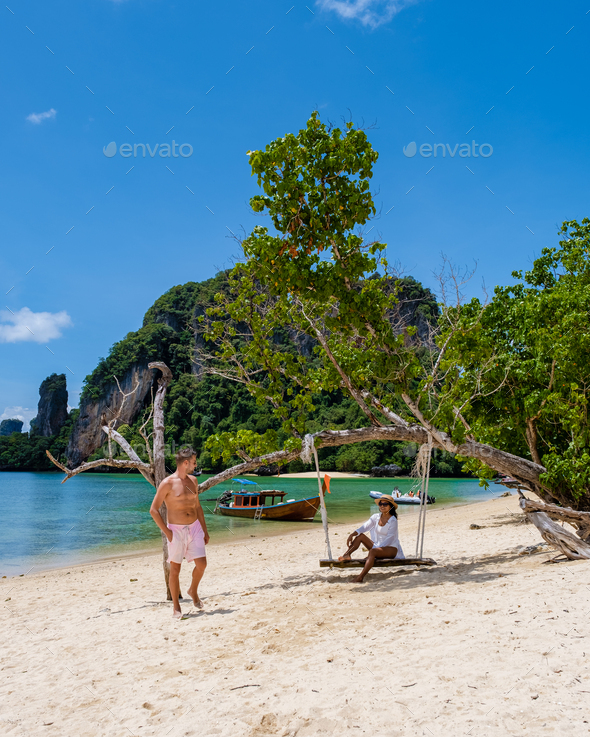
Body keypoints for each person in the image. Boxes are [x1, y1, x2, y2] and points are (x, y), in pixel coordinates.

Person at [150, 446, 209, 618]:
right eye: (194, 462)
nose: (195, 466)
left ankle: (193, 590)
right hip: (176, 531)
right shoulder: (167, 483)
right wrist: (167, 533)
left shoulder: (193, 481)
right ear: (185, 462)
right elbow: (153, 510)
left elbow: (197, 506)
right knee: (175, 569)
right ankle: (176, 607)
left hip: (195, 527)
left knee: (202, 564)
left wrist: (204, 530)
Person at [338, 494, 404, 583]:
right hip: (378, 547)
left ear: (391, 506)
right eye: (381, 503)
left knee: (372, 552)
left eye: (385, 504)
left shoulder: (393, 520)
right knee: (360, 536)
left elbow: (390, 539)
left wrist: (376, 551)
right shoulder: (375, 517)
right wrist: (353, 534)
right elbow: (364, 527)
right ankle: (347, 555)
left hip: (391, 548)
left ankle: (360, 578)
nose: (382, 506)